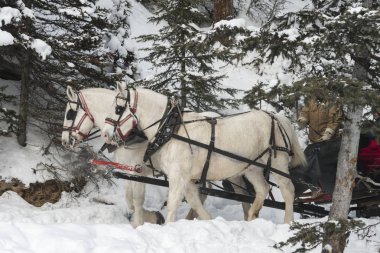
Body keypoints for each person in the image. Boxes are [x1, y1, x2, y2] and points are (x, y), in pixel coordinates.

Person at [296, 96, 343, 199]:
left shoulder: (332, 101)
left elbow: (335, 120)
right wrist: (303, 119)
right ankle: (312, 186)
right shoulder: (311, 100)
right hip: (315, 142)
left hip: (331, 142)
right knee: (306, 158)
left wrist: (328, 133)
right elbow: (305, 111)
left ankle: (321, 188)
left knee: (313, 158)